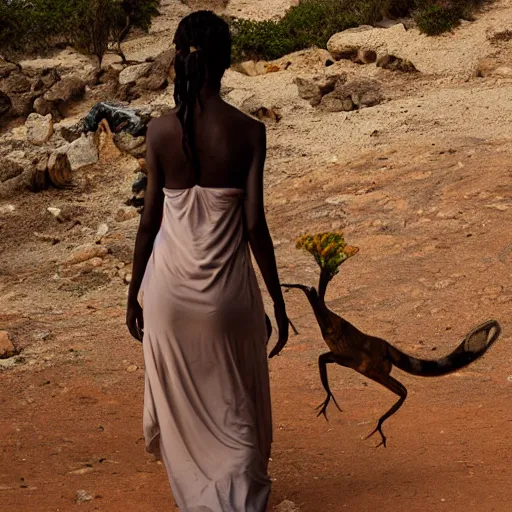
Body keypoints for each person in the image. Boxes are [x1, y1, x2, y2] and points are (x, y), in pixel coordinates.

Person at [125, 10, 290, 512]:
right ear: (227, 61)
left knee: (189, 414)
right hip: (227, 295)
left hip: (168, 293)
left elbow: (149, 223)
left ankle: (200, 497)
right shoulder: (248, 131)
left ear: (178, 57)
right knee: (236, 407)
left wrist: (133, 294)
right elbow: (255, 226)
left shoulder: (158, 132)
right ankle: (237, 496)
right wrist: (279, 303)